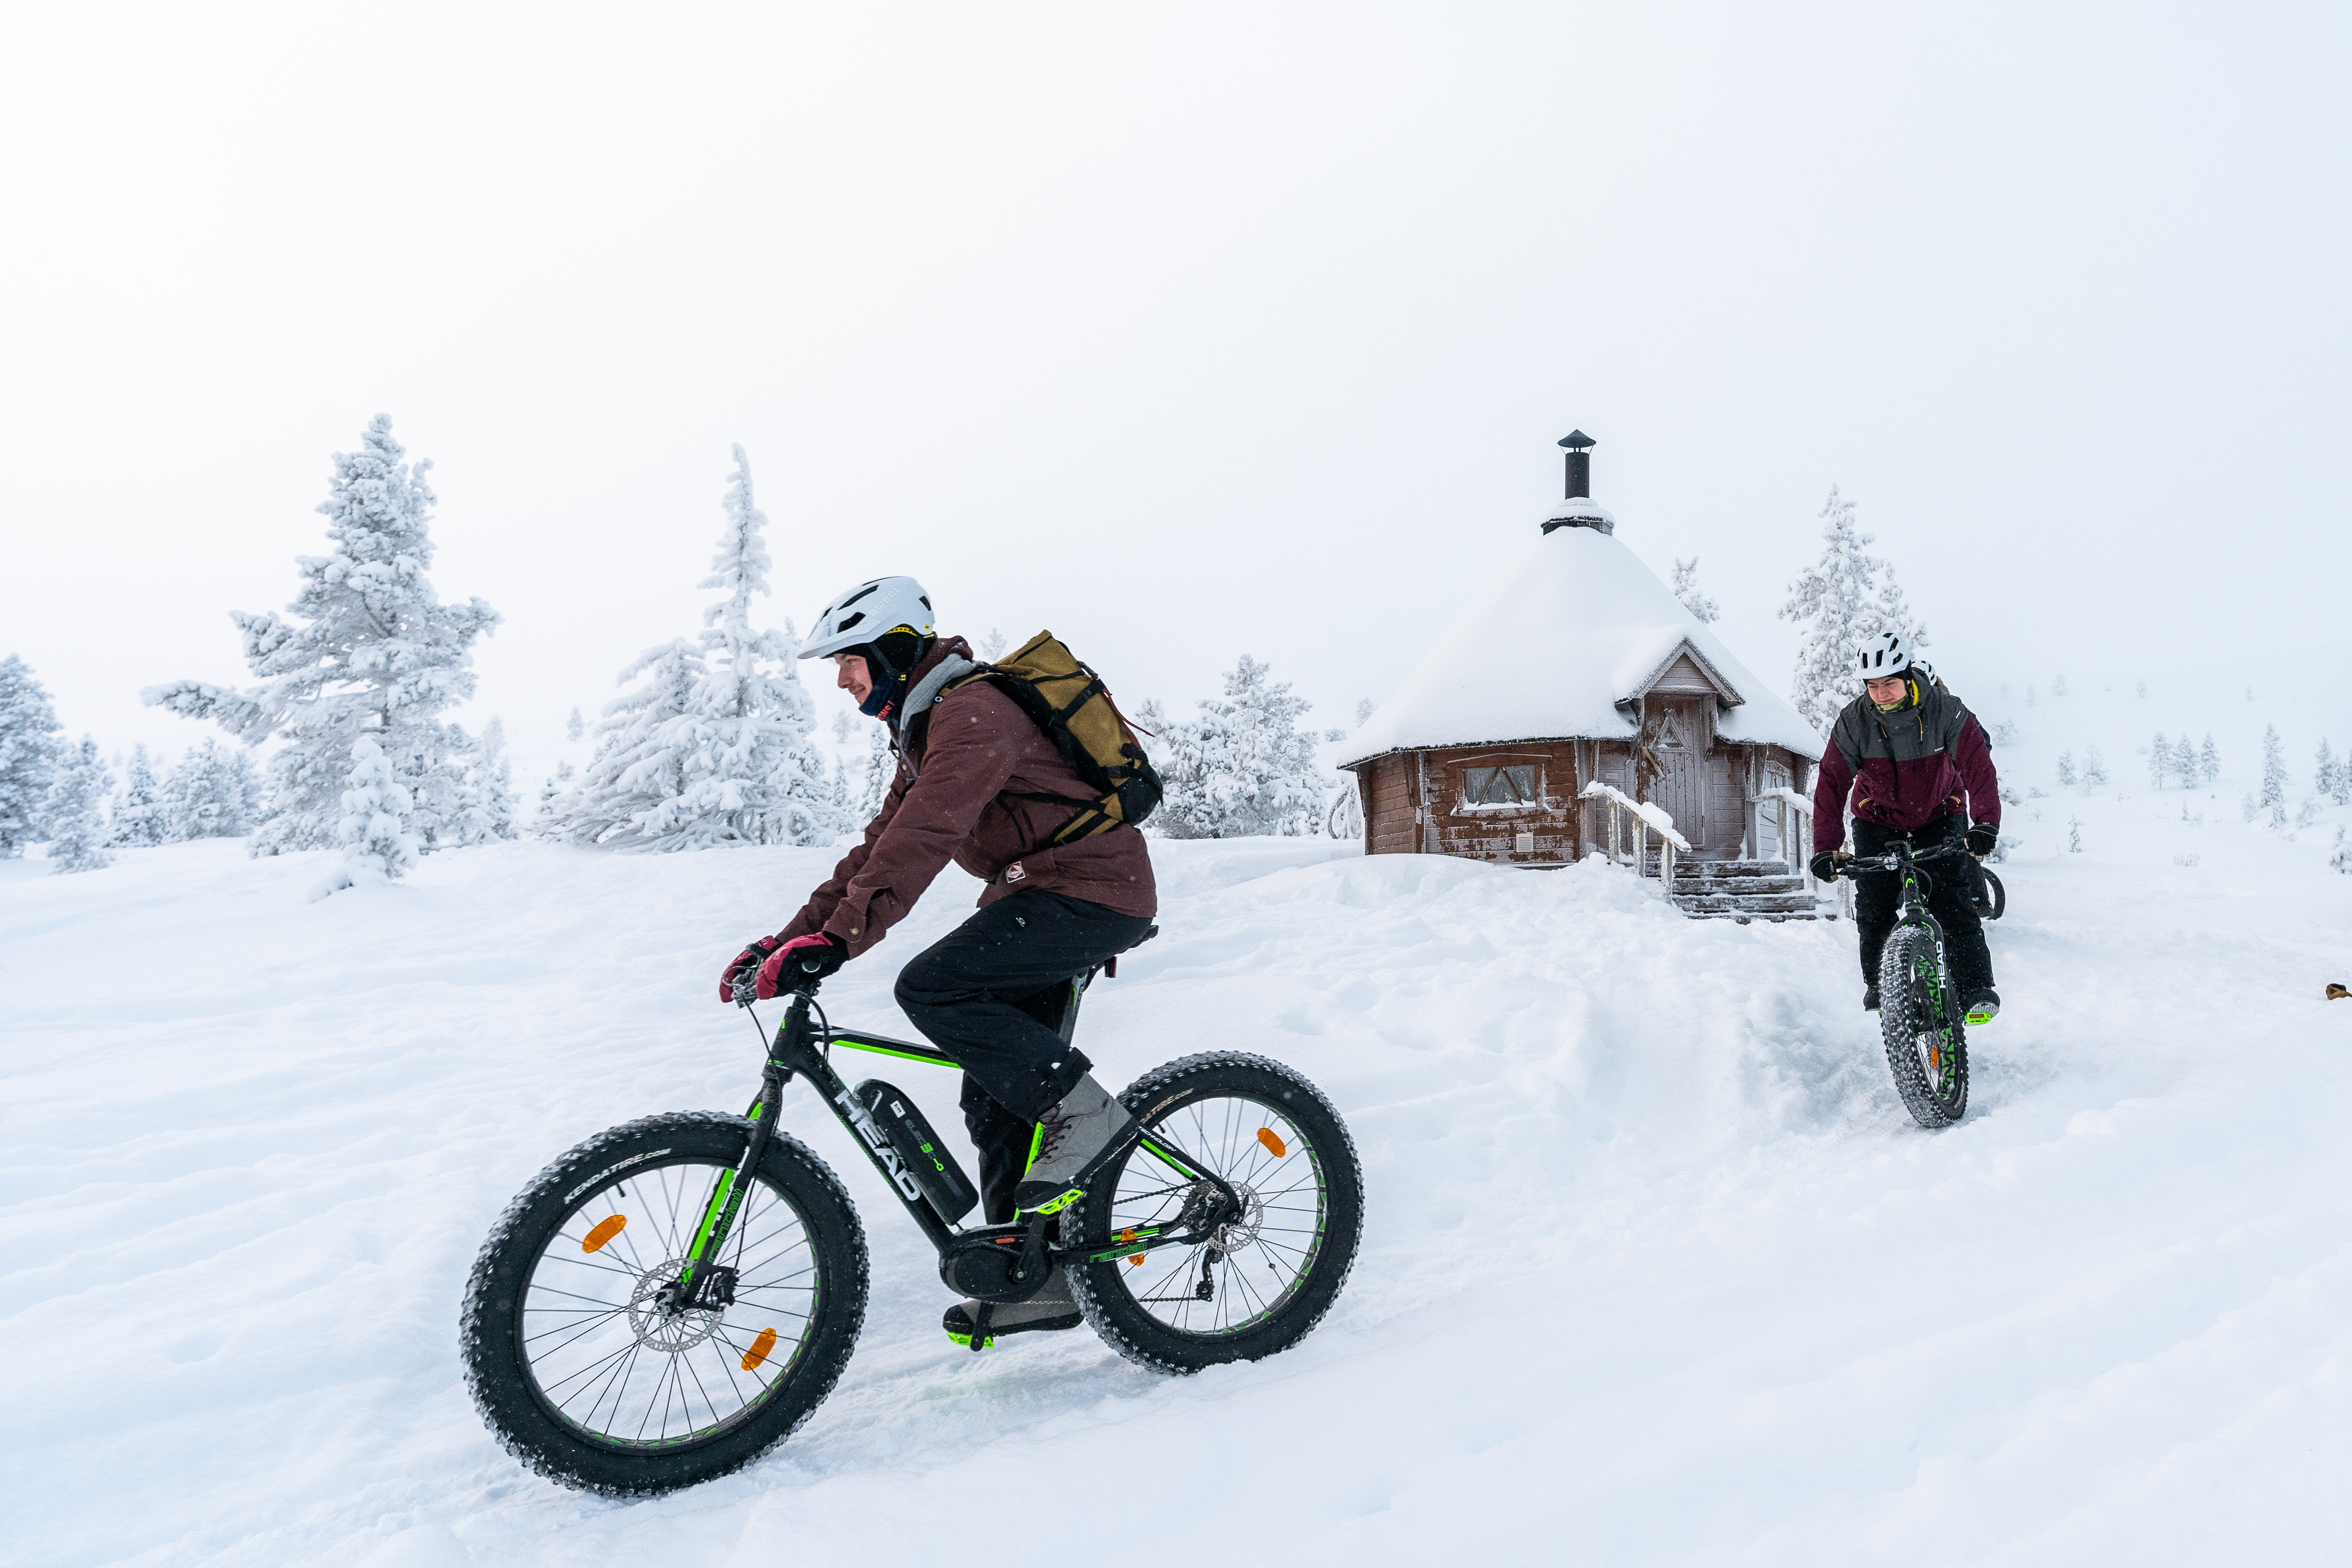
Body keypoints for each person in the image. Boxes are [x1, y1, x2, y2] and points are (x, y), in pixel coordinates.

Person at [720, 576, 1157, 1348]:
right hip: (1039, 895)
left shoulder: (974, 713)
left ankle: (1084, 1111)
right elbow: (875, 851)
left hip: (1091, 893)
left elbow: (925, 836)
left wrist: (843, 940)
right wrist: (786, 938)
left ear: (892, 650)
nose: (843, 680)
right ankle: (1033, 1276)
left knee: (931, 985)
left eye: (848, 661)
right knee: (995, 1098)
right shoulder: (926, 732)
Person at [1808, 631, 2001, 1022]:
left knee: (1952, 899)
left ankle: (1975, 986)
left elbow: (1978, 765)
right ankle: (1882, 983)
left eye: (1889, 683)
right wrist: (1825, 847)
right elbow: (1831, 782)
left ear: (1908, 675)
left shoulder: (1945, 710)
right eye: (1873, 686)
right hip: (1876, 818)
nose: (1881, 693)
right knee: (1875, 907)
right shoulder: (1853, 721)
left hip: (1939, 811)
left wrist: (1985, 823)